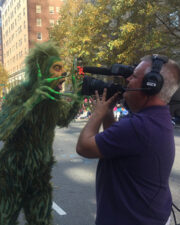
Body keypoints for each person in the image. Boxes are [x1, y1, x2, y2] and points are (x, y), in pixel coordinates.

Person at [76, 55, 180, 225]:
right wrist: (108, 112)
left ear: (150, 85)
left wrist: (98, 113)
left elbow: (84, 147)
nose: (128, 80)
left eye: (134, 76)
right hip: (149, 215)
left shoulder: (139, 126)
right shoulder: (156, 118)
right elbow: (114, 146)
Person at [0, 42, 82, 225]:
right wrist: (32, 101)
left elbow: (63, 119)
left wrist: (78, 96)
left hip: (40, 176)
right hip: (11, 174)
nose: (63, 73)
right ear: (41, 70)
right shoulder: (20, 92)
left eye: (63, 68)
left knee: (41, 221)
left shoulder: (53, 100)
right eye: (57, 68)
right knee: (4, 222)